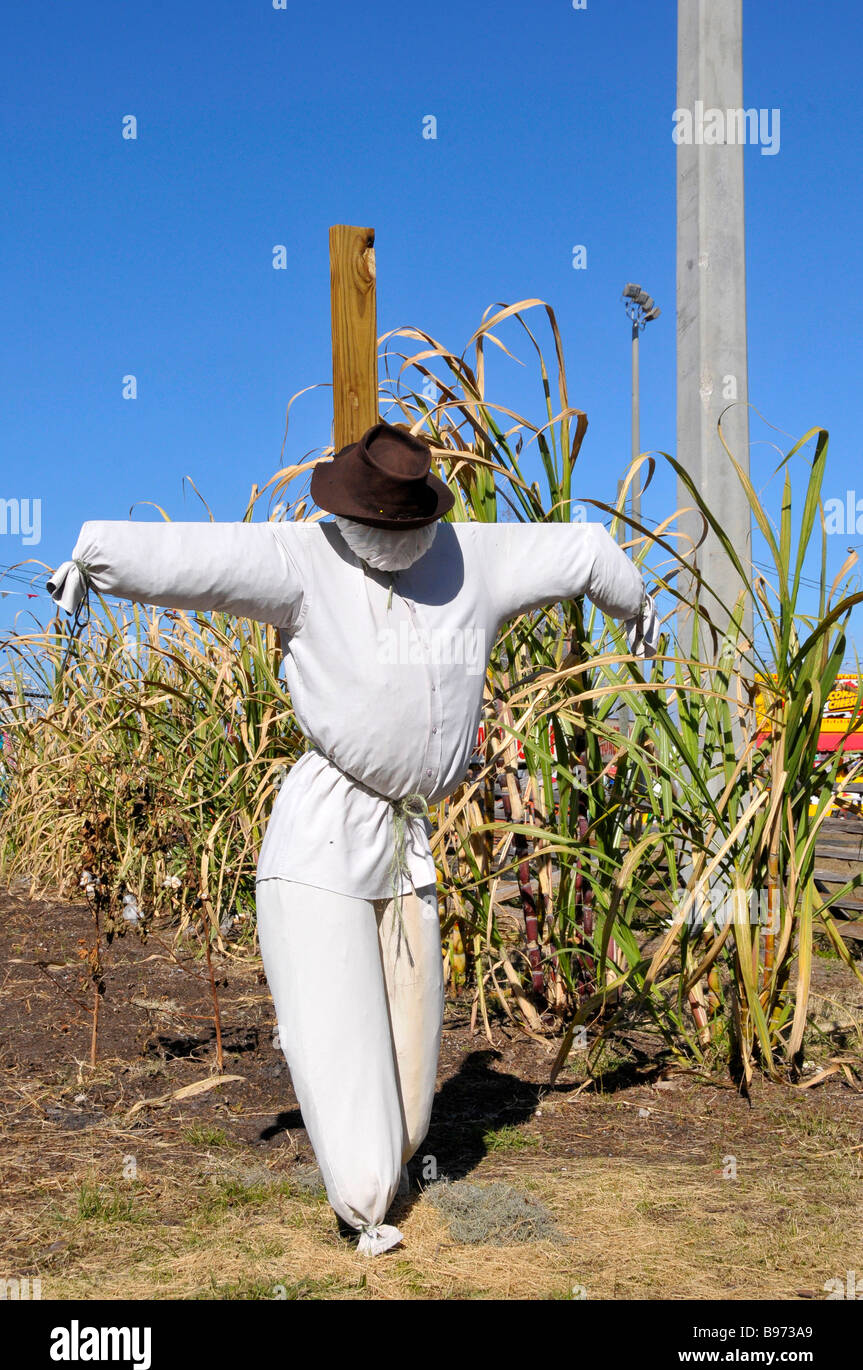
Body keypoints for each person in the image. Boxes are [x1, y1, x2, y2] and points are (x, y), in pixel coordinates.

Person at [48, 421, 659, 1254]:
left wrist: (638, 606)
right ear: (351, 516)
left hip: (406, 839)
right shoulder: (304, 561)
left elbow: (584, 550)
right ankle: (365, 1203)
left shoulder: (475, 557)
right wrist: (93, 559)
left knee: (413, 1032)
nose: (396, 542)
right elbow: (196, 557)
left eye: (410, 526)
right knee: (337, 1022)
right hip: (321, 836)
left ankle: (392, 1165)